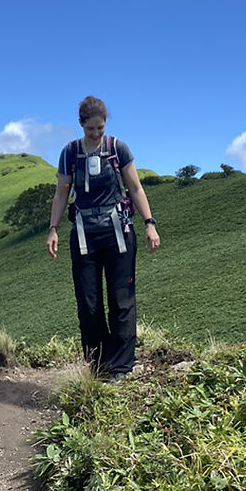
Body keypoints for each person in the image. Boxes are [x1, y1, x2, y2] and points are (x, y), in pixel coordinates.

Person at [46, 95, 161, 379]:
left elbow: (135, 188)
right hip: (84, 236)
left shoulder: (117, 149)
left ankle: (120, 367)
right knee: (88, 304)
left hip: (118, 233)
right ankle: (98, 364)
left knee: (121, 299)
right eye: (91, 129)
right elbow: (61, 194)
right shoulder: (70, 153)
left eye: (100, 128)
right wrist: (53, 229)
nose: (96, 133)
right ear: (81, 125)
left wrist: (149, 223)